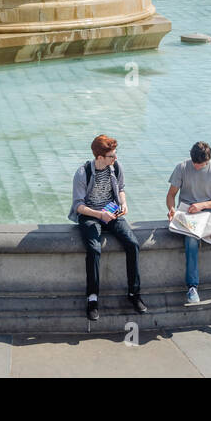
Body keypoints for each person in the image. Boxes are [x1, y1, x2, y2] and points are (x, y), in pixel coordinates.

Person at [67, 134, 146, 321]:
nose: (115, 158)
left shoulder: (116, 167)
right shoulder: (82, 172)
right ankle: (92, 298)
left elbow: (121, 188)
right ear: (100, 157)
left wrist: (124, 203)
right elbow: (78, 205)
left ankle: (134, 294)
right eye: (112, 156)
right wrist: (99, 214)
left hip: (111, 211)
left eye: (115, 155)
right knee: (94, 249)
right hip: (90, 215)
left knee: (133, 244)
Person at [166, 141, 211, 305]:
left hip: (209, 214)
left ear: (208, 160)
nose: (197, 166)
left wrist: (203, 205)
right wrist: (172, 209)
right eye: (195, 163)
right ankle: (192, 287)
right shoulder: (182, 167)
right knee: (191, 240)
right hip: (186, 214)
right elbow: (171, 195)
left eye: (201, 164)